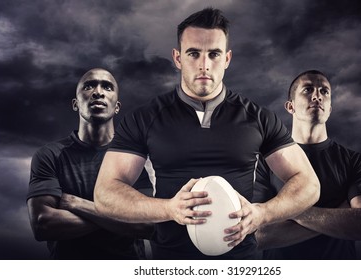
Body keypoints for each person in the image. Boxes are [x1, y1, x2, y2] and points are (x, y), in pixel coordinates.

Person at [93, 8, 320, 260]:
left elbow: (309, 184)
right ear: (177, 58)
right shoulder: (145, 118)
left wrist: (263, 213)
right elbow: (105, 193)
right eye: (193, 53)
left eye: (214, 54)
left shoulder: (258, 117)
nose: (204, 65)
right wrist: (169, 209)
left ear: (227, 59)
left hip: (241, 264)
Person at [26, 68, 154, 259]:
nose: (98, 92)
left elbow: (145, 225)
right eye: (89, 86)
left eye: (107, 87)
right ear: (75, 104)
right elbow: (42, 224)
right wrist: (119, 218)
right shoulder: (50, 156)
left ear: (116, 106)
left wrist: (77, 204)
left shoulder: (130, 160)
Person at [255, 70, 361, 259]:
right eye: (307, 90)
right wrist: (341, 216)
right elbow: (260, 235)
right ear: (290, 107)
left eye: (324, 91)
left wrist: (282, 209)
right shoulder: (267, 163)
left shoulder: (355, 162)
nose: (317, 96)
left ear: (329, 108)